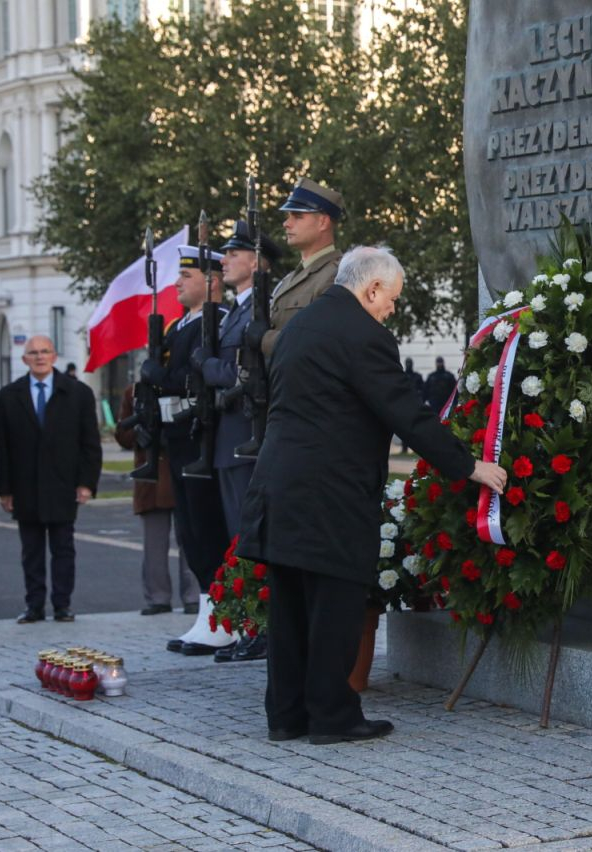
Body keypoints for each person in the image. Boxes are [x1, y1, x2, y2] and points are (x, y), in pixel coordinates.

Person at [237, 246, 507, 745]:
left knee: (292, 608)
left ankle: (287, 716)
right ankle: (334, 717)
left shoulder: (301, 325)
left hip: (280, 485)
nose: (392, 310)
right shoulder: (363, 335)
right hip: (330, 492)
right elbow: (405, 411)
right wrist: (468, 466)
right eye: (393, 299)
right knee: (335, 606)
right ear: (373, 287)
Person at [140, 245, 233, 656]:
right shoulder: (180, 326)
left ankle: (223, 618)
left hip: (201, 435)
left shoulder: (217, 323)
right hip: (176, 438)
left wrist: (159, 374)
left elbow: (193, 377)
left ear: (211, 282)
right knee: (189, 530)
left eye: (186, 277)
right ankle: (207, 613)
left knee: (207, 525)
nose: (177, 283)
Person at [196, 218, 280, 663]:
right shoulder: (237, 310)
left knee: (252, 533)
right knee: (237, 535)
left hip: (248, 436)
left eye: (233, 254)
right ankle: (250, 624)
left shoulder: (259, 309)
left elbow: (249, 375)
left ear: (256, 260)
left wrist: (208, 367)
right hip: (230, 439)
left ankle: (264, 626)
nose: (224, 260)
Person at [0, 336, 102, 624]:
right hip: (24, 485)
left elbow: (90, 443)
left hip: (63, 483)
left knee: (63, 548)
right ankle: (34, 606)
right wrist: (3, 489)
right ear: (24, 359)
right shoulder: (8, 396)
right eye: (33, 353)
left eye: (45, 352)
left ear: (54, 356)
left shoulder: (77, 393)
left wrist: (86, 483)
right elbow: (0, 447)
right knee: (31, 551)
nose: (39, 357)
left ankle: (63, 605)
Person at [115, 383, 196, 615]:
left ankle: (192, 595)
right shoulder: (134, 391)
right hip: (151, 480)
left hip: (181, 471)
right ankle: (158, 597)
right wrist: (137, 433)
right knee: (154, 546)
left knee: (189, 541)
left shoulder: (187, 385)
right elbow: (122, 433)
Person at [255, 177, 344, 358]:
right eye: (288, 216)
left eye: (297, 216)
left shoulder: (338, 274)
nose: (286, 223)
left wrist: (264, 339)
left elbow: (319, 341)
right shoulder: (288, 280)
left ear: (323, 222)